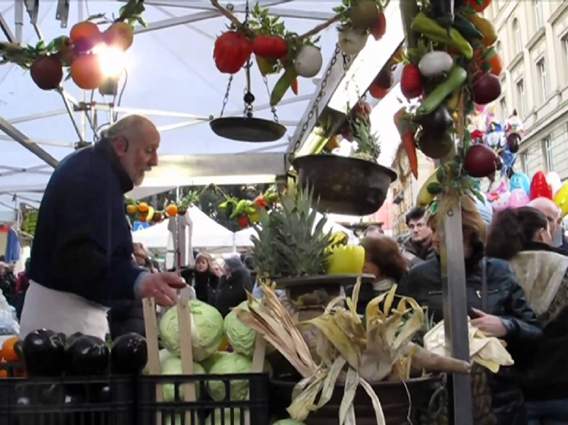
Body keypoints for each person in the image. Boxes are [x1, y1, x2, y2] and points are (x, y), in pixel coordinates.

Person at [20, 115, 186, 340]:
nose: (154, 161)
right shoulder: (90, 176)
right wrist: (137, 281)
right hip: (63, 317)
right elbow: (80, 258)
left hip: (67, 313)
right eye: (149, 150)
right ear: (120, 146)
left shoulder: (94, 171)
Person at [400, 196, 542, 425]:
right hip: (436, 404)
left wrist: (506, 326)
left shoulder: (499, 271)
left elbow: (534, 332)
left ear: (468, 231)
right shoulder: (419, 276)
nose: (435, 238)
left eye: (442, 231)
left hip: (497, 406)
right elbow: (398, 331)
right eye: (433, 229)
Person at [486, 207, 568, 424]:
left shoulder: (495, 270)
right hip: (562, 386)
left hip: (513, 391)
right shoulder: (564, 265)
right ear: (542, 233)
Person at [346, 236, 408, 315]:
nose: (363, 265)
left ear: (383, 260)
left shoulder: (407, 288)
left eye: (367, 260)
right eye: (359, 259)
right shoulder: (353, 294)